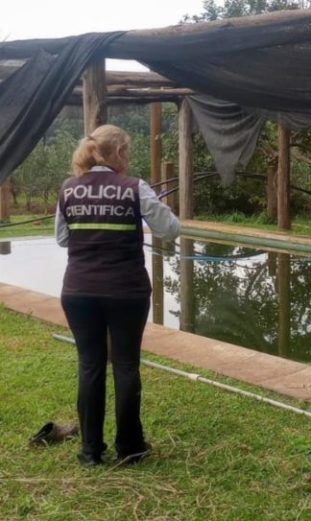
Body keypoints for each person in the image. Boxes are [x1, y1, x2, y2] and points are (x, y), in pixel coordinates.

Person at [55, 124, 180, 466]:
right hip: (126, 291)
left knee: (90, 365)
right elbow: (170, 228)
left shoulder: (69, 189)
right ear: (119, 153)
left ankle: (90, 451)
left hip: (78, 291)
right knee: (125, 365)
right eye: (127, 151)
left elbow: (64, 239)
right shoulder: (134, 188)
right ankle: (130, 447)